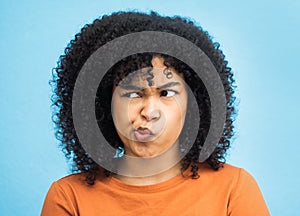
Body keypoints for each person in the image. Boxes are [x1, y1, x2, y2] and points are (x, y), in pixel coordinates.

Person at [41, 11, 270, 215]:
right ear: (103, 104)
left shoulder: (233, 189)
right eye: (132, 94)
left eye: (167, 93)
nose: (150, 112)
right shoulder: (69, 197)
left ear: (194, 104)